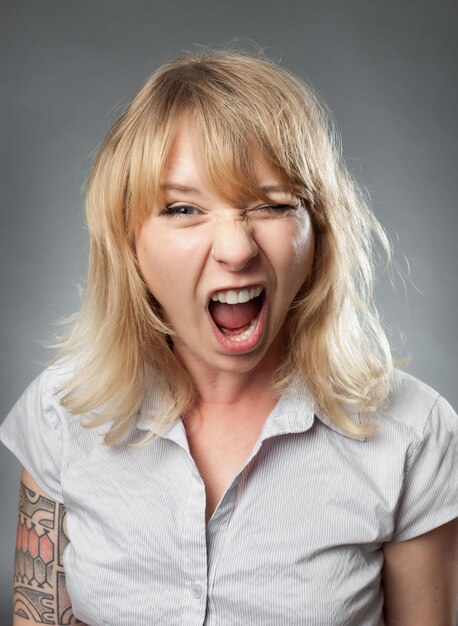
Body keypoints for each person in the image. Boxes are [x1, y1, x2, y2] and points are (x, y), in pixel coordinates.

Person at [1, 49, 457, 626]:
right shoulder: (62, 413)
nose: (238, 249)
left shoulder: (413, 434)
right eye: (184, 208)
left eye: (271, 205)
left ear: (318, 230)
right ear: (128, 240)